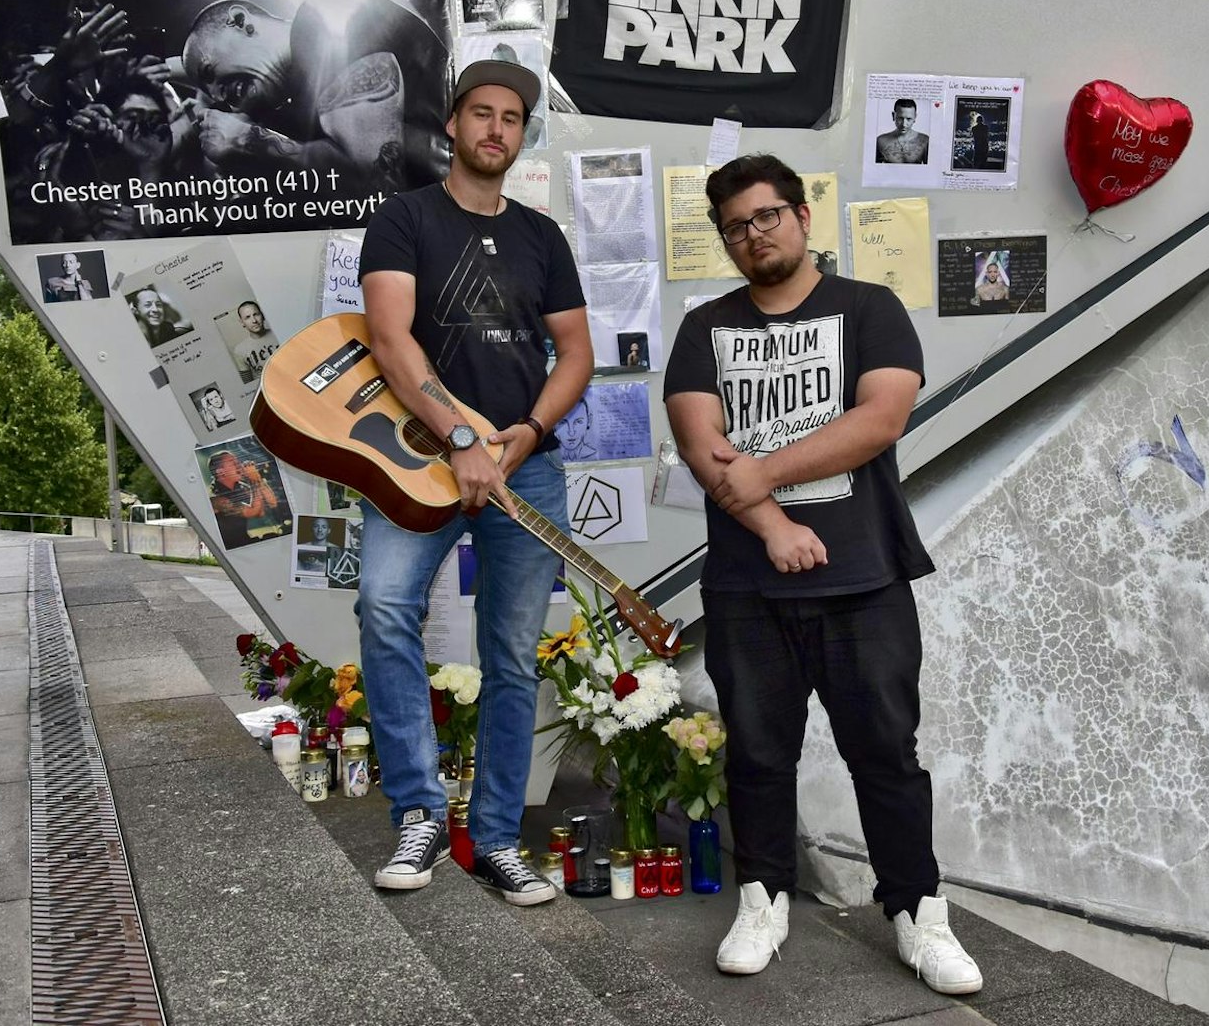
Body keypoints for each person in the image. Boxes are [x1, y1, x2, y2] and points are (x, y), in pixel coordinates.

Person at [664, 154, 983, 996]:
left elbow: (880, 417)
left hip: (864, 578)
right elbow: (703, 445)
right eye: (735, 226)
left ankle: (919, 912)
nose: (752, 235)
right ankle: (763, 898)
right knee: (759, 756)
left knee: (886, 753)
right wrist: (770, 525)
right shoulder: (704, 328)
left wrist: (760, 474)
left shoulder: (869, 308)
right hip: (747, 586)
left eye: (765, 215)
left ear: (804, 217)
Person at [354, 59, 593, 906]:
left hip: (526, 467)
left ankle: (494, 836)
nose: (496, 128)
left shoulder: (542, 237)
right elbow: (390, 340)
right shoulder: (404, 218)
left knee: (512, 655)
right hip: (420, 461)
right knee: (384, 605)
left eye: (512, 118)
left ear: (522, 135)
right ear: (452, 124)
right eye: (481, 113)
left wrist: (521, 437)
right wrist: (461, 437)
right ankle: (420, 814)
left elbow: (577, 353)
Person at [171, 0, 449, 190]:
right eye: (210, 91)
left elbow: (378, 181)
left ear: (241, 21)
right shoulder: (302, 90)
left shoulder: (327, 24)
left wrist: (247, 139)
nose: (220, 96)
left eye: (209, 72)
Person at [207, 449, 282, 548]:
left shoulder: (240, 487)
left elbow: (271, 503)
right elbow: (252, 512)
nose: (240, 466)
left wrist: (257, 479)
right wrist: (253, 481)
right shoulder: (215, 499)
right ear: (221, 472)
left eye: (238, 462)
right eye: (233, 463)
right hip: (229, 548)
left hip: (244, 541)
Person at [232, 300, 279, 382]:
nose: (254, 320)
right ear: (242, 322)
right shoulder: (239, 350)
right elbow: (248, 382)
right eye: (247, 317)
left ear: (263, 315)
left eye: (256, 314)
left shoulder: (279, 332)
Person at [128, 287, 192, 347]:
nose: (155, 309)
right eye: (148, 305)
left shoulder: (168, 328)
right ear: (135, 311)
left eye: (158, 305)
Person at [874, 100, 928, 165]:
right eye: (900, 118)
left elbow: (930, 171)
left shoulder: (925, 141)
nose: (904, 124)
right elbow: (874, 170)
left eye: (908, 119)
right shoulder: (881, 141)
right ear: (893, 116)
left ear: (915, 117)